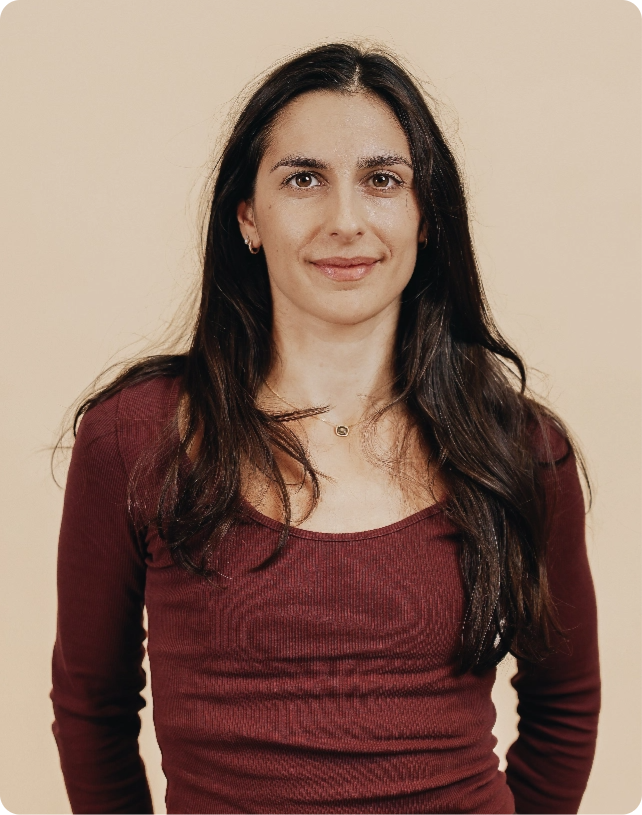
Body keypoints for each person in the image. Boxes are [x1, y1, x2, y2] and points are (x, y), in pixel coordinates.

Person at [50, 42, 600, 815]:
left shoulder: (521, 446)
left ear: (425, 216)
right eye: (303, 179)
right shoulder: (134, 439)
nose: (346, 221)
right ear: (248, 215)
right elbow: (92, 709)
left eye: (382, 180)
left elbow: (565, 703)